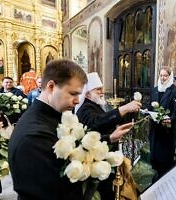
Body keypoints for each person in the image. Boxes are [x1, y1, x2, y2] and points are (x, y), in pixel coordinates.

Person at [8, 59, 133, 200]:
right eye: (73, 93)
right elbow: (58, 190)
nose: (78, 100)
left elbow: (73, 149)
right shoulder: (34, 136)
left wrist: (109, 138)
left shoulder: (52, 115)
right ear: (51, 87)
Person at [76, 72, 141, 200]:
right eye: (98, 89)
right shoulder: (85, 109)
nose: (102, 92)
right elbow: (97, 121)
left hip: (105, 160)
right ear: (88, 93)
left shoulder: (95, 106)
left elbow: (104, 123)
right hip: (96, 164)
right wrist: (125, 108)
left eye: (102, 88)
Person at [149, 67, 176, 182]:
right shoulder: (155, 89)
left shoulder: (175, 90)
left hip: (167, 128)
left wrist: (171, 119)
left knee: (165, 154)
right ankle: (158, 173)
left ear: (170, 76)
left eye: (165, 76)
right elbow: (150, 106)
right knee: (155, 152)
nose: (163, 78)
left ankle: (164, 175)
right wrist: (146, 112)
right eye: (161, 75)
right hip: (155, 128)